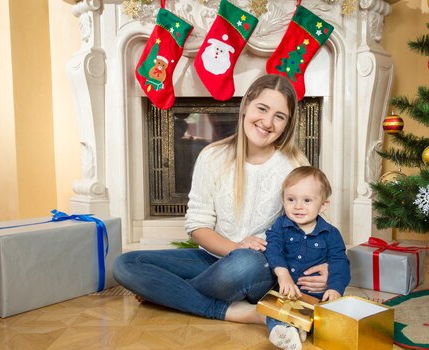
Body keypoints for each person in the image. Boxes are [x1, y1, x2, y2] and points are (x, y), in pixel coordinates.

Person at [113, 74, 329, 324]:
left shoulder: (293, 164)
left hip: (260, 267)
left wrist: (328, 268)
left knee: (244, 263)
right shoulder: (212, 156)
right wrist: (235, 248)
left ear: (287, 124)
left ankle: (167, 292)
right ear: (246, 104)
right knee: (126, 264)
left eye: (279, 116)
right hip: (213, 260)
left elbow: (317, 224)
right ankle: (234, 311)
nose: (267, 122)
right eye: (262, 108)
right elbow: (198, 226)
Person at [264, 166, 350, 350]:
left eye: (307, 200)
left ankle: (301, 328)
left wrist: (335, 288)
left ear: (323, 205)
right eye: (291, 199)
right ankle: (286, 332)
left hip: (317, 295)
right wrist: (283, 274)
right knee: (276, 313)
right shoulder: (280, 226)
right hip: (288, 293)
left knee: (330, 320)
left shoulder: (331, 233)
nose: (298, 206)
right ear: (283, 201)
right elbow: (273, 249)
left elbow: (339, 262)